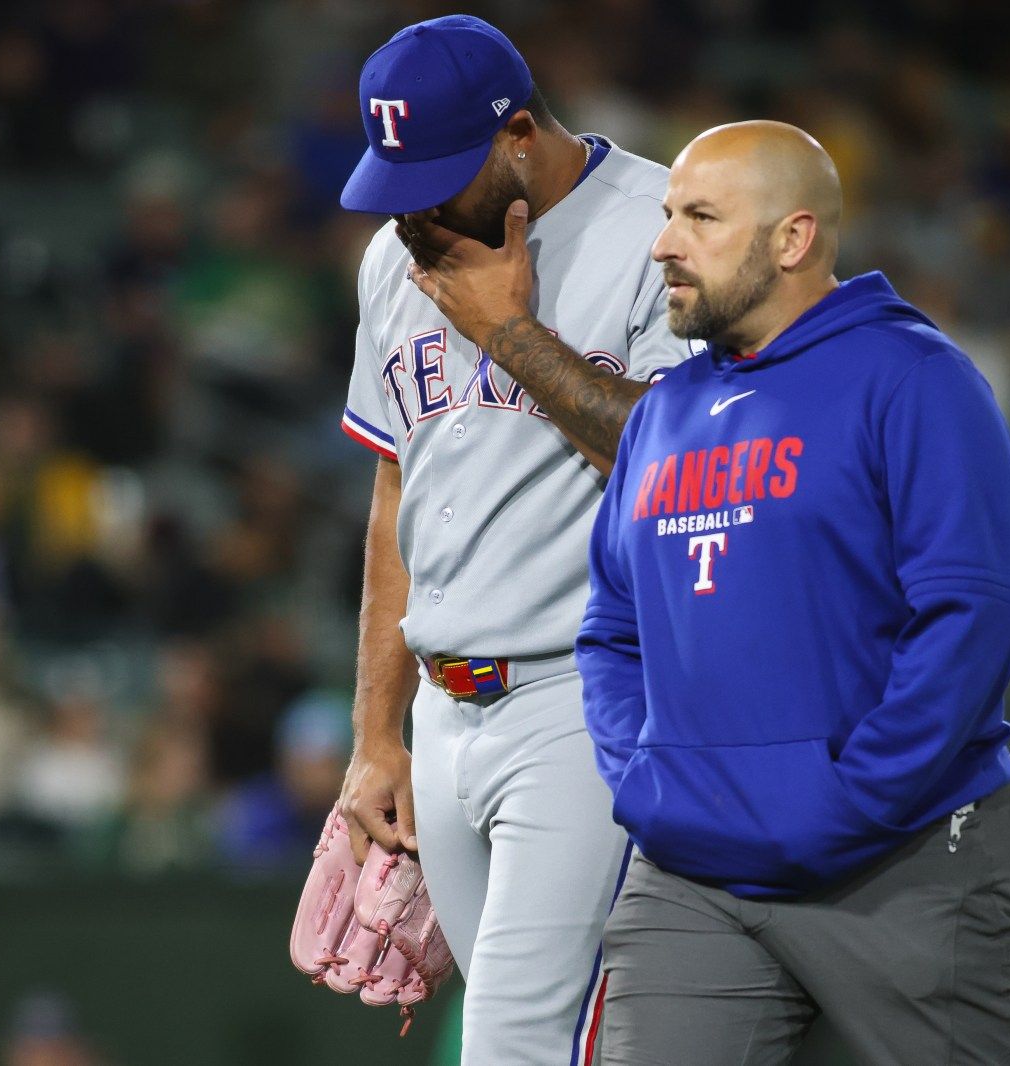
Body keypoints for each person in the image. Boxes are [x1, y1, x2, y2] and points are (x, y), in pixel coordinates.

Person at [577, 121, 1010, 1064]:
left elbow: (970, 615)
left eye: (700, 217)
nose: (663, 242)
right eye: (667, 214)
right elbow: (611, 631)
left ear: (792, 240)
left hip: (901, 865)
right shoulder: (664, 411)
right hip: (693, 875)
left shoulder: (914, 378)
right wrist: (648, 781)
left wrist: (851, 800)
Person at [328, 16, 688, 1064]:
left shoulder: (662, 229)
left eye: (438, 174)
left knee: (516, 1043)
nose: (413, 208)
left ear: (519, 132)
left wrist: (506, 333)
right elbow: (397, 492)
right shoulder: (392, 262)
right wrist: (375, 736)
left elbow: (671, 468)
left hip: (585, 698)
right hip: (444, 713)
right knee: (583, 1043)